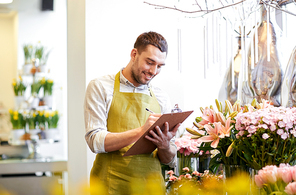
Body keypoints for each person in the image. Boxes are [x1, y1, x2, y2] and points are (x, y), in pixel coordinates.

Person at [84, 31, 180, 194]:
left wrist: (164, 145)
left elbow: (168, 160)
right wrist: (141, 131)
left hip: (150, 188)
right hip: (110, 186)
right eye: (150, 62)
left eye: (159, 66)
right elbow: (95, 141)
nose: (154, 71)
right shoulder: (100, 87)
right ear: (134, 54)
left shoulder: (161, 97)